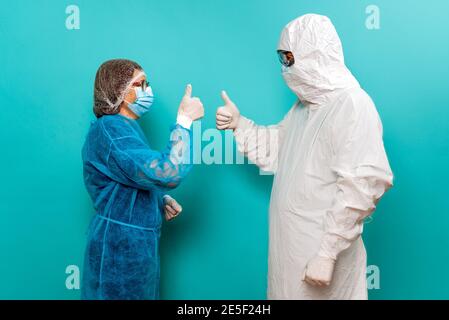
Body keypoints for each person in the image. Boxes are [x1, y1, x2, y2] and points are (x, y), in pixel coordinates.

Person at [216, 14, 393, 299]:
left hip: (322, 255)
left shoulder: (351, 104)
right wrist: (240, 124)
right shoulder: (304, 107)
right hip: (291, 252)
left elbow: (363, 183)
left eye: (289, 58)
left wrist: (327, 253)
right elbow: (279, 149)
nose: (285, 68)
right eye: (282, 59)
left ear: (313, 54)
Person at [81, 59, 204, 300]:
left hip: (135, 247)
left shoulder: (126, 128)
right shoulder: (111, 129)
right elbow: (169, 171)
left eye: (147, 83)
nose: (147, 90)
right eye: (140, 84)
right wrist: (184, 122)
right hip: (119, 250)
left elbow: (127, 178)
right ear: (119, 90)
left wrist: (159, 199)